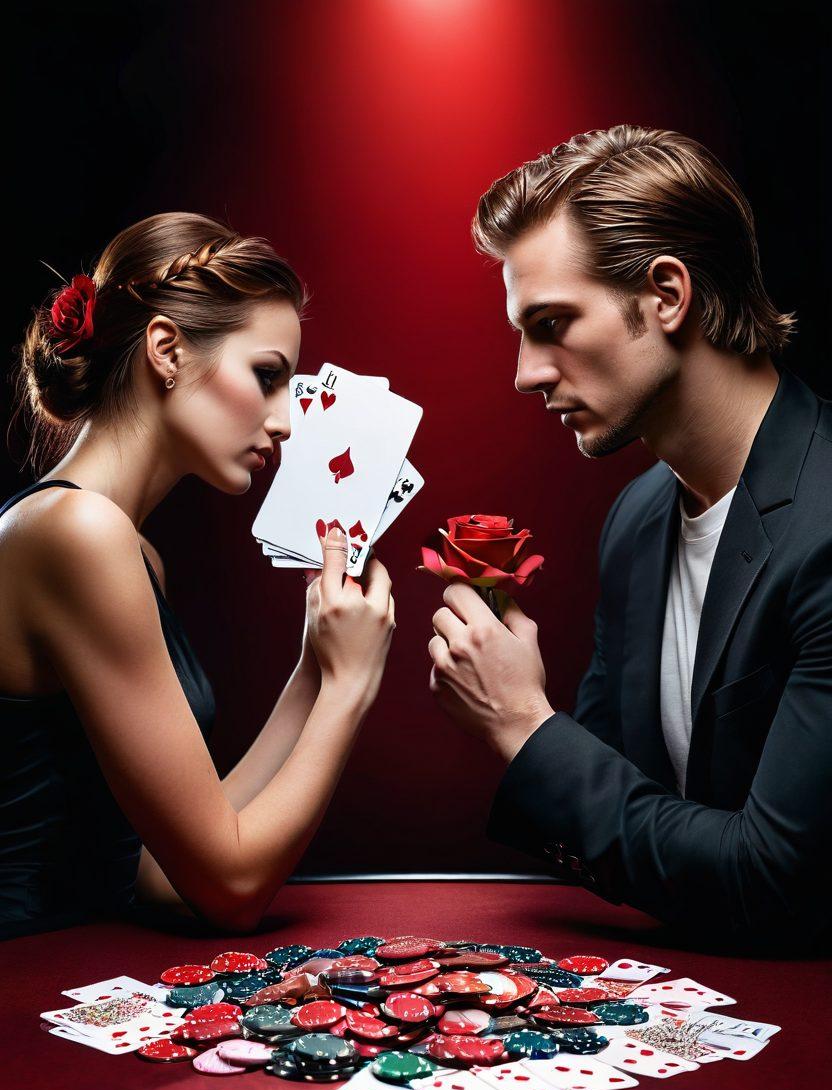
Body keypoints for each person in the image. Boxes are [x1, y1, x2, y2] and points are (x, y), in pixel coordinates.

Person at [427, 124, 832, 948]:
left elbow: (775, 880)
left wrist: (522, 723)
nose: (526, 374)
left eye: (552, 323)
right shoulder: (638, 521)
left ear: (667, 296)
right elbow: (620, 831)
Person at [0, 212, 395, 933]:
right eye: (267, 376)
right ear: (166, 350)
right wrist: (350, 688)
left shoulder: (130, 550)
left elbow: (165, 868)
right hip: (29, 974)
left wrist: (314, 666)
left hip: (94, 969)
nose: (286, 421)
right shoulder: (76, 533)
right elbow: (230, 887)